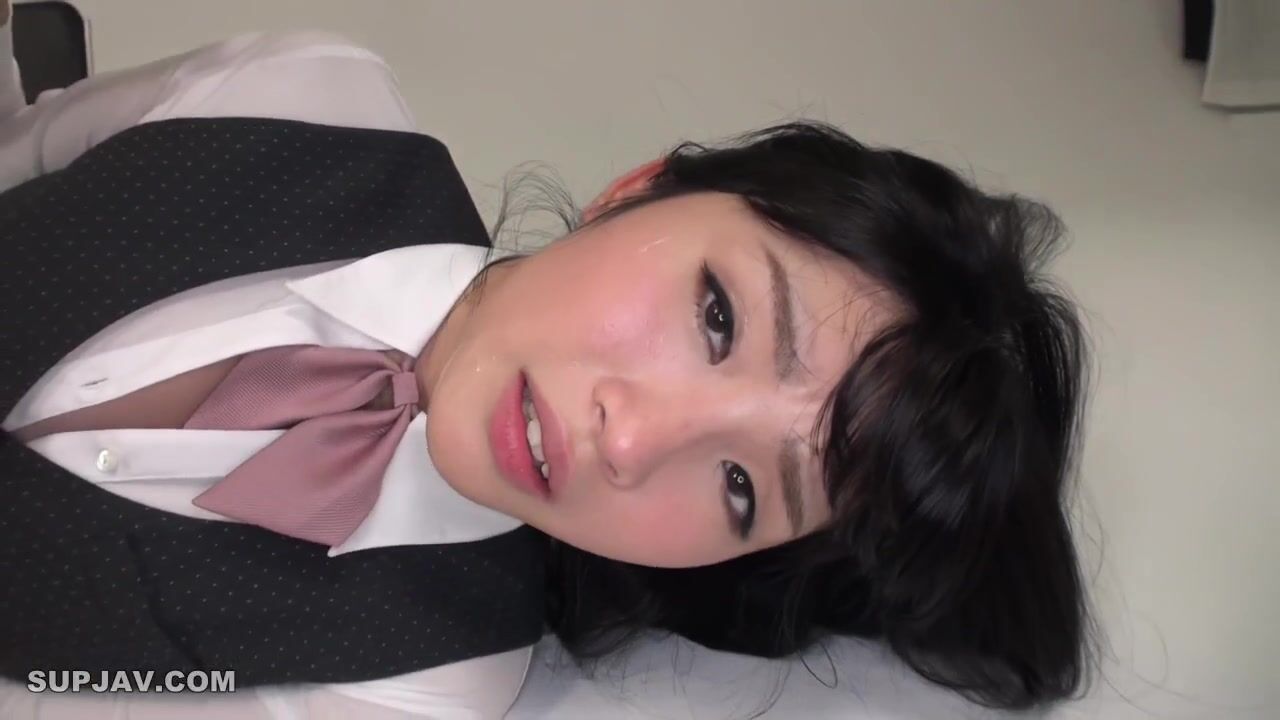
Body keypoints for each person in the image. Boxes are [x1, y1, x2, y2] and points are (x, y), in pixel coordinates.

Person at [0, 19, 1094, 720]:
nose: (631, 440)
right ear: (638, 189)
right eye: (717, 317)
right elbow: (29, 150)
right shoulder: (305, 94)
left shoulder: (420, 682)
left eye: (741, 489)